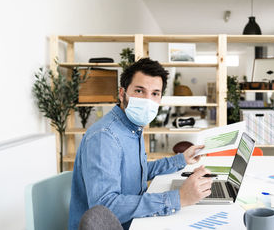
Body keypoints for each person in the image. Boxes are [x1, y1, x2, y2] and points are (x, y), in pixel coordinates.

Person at [69, 58, 212, 230]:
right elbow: (105, 206)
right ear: (122, 94)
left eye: (155, 93)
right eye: (139, 90)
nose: (147, 100)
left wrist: (181, 160)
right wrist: (178, 198)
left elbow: (137, 171)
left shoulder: (131, 128)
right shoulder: (104, 137)